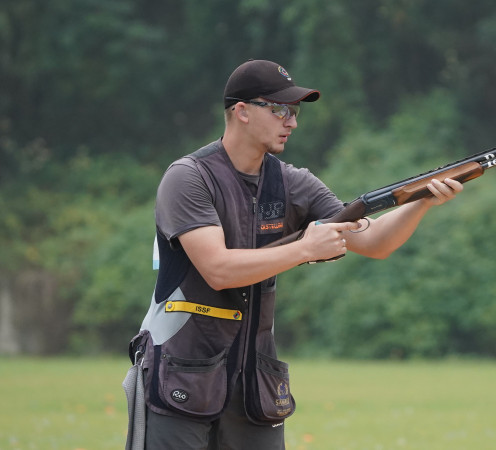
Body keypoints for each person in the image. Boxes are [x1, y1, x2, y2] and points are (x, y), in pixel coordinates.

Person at [127, 59, 463, 449]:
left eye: (295, 111)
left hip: (255, 384)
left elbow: (374, 241)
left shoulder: (293, 182)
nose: (292, 122)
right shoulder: (188, 177)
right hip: (179, 378)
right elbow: (218, 269)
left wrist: (422, 200)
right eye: (280, 110)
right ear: (242, 112)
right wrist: (304, 249)